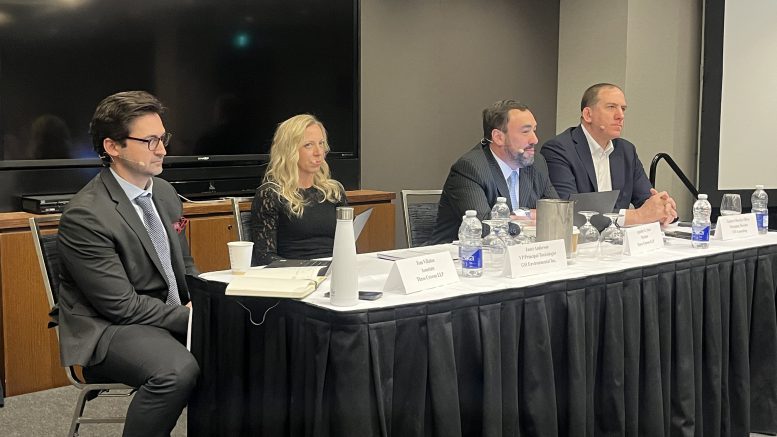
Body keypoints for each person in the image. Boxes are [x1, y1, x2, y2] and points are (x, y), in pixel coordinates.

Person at [56, 91, 199, 437]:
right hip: (107, 327)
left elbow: (184, 265)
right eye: (149, 141)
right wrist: (194, 319)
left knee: (246, 346)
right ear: (112, 147)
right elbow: (120, 306)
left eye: (163, 138)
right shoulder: (86, 215)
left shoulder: (164, 192)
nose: (162, 150)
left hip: (159, 314)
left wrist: (207, 303)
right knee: (175, 371)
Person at [540, 83, 677, 225]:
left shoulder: (626, 150)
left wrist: (661, 209)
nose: (620, 116)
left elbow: (645, 201)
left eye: (623, 109)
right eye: (611, 107)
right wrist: (638, 215)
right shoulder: (559, 150)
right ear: (588, 115)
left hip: (618, 237)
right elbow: (569, 211)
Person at [430, 100, 558, 244]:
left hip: (520, 253)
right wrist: (531, 217)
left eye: (534, 130)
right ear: (498, 137)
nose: (535, 139)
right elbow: (484, 228)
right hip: (462, 254)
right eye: (525, 132)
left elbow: (557, 213)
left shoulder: (537, 164)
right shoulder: (470, 168)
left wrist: (519, 216)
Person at [251, 114, 347, 265]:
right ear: (289, 151)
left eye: (321, 143)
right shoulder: (271, 194)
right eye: (308, 145)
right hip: (295, 273)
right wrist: (311, 268)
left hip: (336, 269)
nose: (318, 152)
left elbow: (349, 245)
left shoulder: (334, 191)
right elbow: (265, 257)